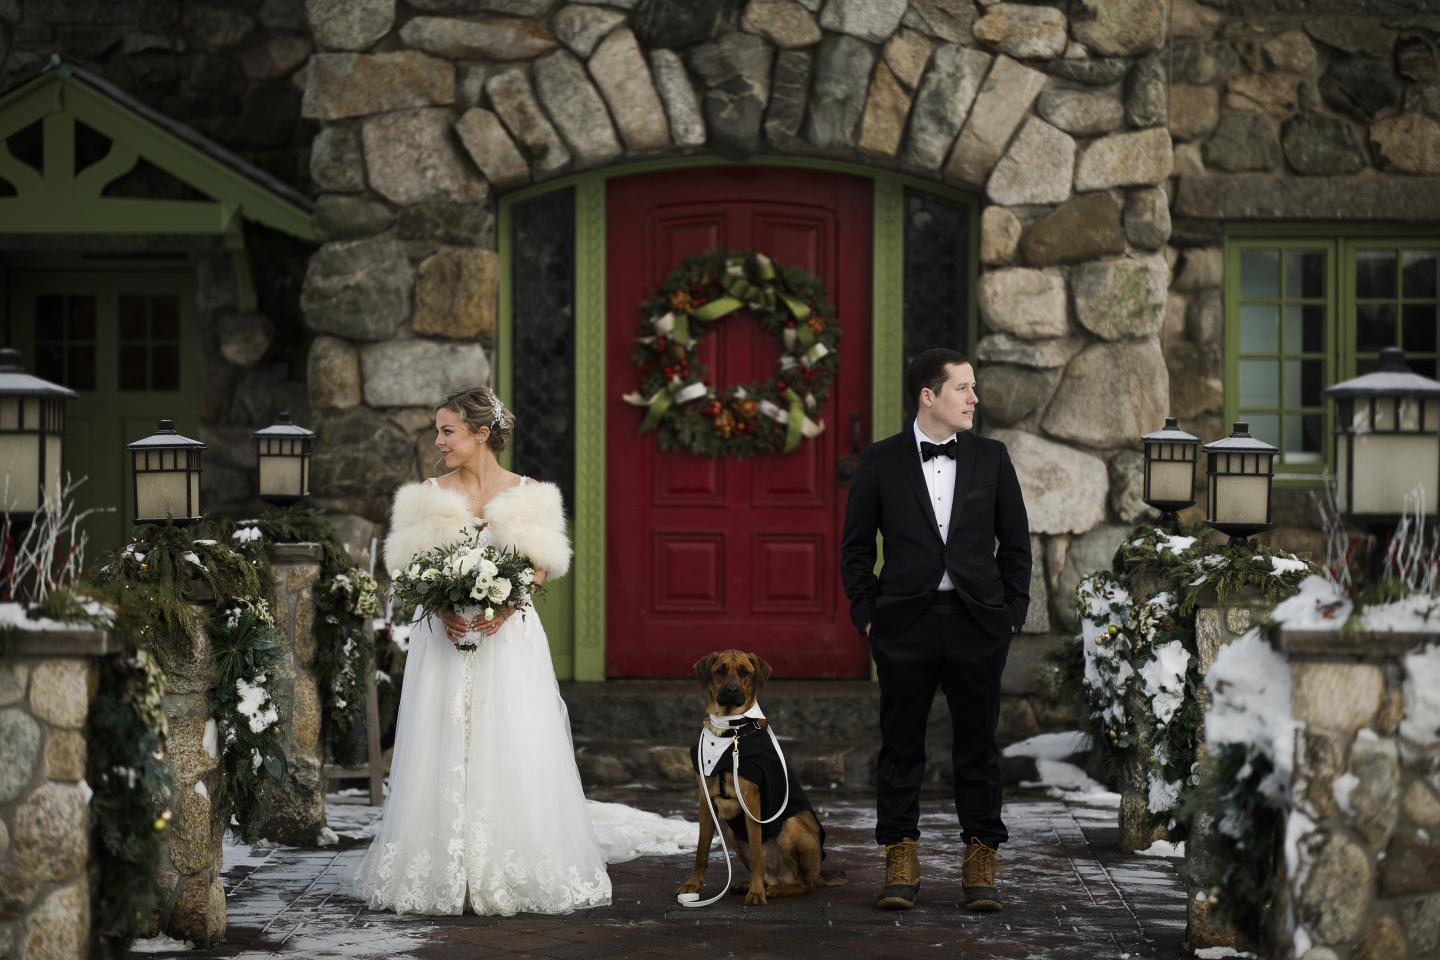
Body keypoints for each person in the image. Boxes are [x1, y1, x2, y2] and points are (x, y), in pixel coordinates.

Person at [353, 387, 691, 916]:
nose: (438, 441)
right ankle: (439, 866)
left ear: (481, 434)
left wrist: (506, 607)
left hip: (506, 640)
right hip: (442, 641)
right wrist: (440, 607)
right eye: (437, 431)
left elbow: (538, 566)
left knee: (509, 738)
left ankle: (510, 861)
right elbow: (410, 570)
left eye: (448, 431)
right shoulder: (427, 495)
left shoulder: (529, 494)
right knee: (442, 737)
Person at [839, 348, 1031, 913]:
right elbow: (855, 549)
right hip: (904, 624)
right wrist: (867, 612)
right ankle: (900, 855)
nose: (975, 398)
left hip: (978, 623)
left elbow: (1016, 545)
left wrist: (1011, 613)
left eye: (974, 388)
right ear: (929, 395)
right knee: (901, 747)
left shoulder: (992, 459)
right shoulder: (880, 462)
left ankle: (981, 859)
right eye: (964, 388)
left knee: (978, 746)